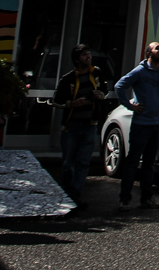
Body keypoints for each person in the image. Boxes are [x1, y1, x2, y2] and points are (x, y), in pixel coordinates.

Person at [114, 42, 159, 211]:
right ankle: (125, 198)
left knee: (149, 163)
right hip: (140, 124)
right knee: (132, 161)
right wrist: (130, 105)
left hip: (156, 124)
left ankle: (147, 198)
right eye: (157, 48)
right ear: (149, 53)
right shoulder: (140, 71)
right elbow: (119, 86)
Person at [55, 45, 106, 212]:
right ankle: (65, 194)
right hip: (72, 125)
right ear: (77, 59)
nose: (88, 57)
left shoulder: (96, 73)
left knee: (83, 162)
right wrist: (72, 103)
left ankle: (75, 194)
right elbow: (57, 100)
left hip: (90, 125)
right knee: (68, 162)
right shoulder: (68, 79)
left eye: (89, 54)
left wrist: (100, 94)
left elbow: (104, 89)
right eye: (85, 55)